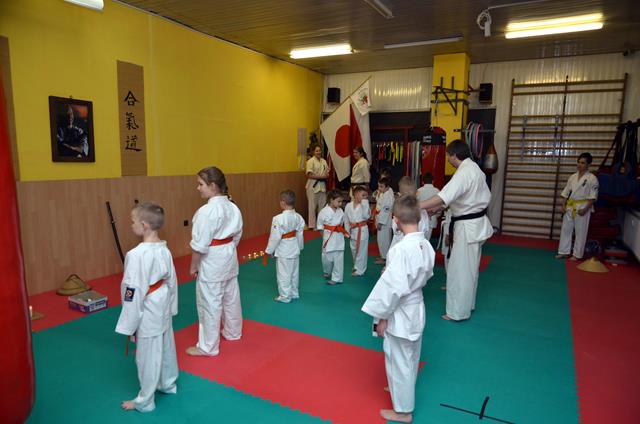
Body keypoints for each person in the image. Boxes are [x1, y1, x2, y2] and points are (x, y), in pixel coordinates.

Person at [361, 195, 435, 424]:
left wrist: (382, 318)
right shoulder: (426, 245)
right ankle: (400, 387)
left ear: (395, 220)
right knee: (410, 356)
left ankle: (403, 411)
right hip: (416, 306)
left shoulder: (400, 249)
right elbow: (426, 274)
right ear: (419, 218)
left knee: (398, 358)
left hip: (401, 311)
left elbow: (392, 289)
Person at [419, 140, 493, 322]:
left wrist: (417, 206)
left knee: (460, 270)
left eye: (448, 156)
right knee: (470, 269)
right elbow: (462, 198)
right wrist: (438, 208)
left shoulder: (464, 172)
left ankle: (457, 312)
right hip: (474, 224)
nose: (448, 159)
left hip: (467, 228)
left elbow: (443, 196)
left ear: (454, 155)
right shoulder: (474, 169)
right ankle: (467, 305)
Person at [115, 202, 178, 412]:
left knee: (147, 357)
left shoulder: (136, 255)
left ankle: (145, 401)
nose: (131, 224)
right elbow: (172, 281)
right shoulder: (164, 249)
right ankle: (167, 384)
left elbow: (132, 291)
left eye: (133, 221)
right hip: (162, 301)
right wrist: (172, 307)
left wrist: (129, 324)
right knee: (166, 346)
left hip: (148, 308)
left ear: (144, 225)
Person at [187, 166, 243, 356]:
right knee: (231, 298)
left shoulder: (206, 211)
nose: (198, 188)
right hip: (229, 256)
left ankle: (208, 347)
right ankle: (233, 332)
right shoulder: (233, 207)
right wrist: (227, 249)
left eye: (200, 184)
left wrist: (193, 266)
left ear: (212, 186)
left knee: (209, 303)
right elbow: (237, 235)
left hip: (212, 260)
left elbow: (199, 245)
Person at [556, 153, 599, 261]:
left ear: (588, 165)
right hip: (570, 206)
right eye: (578, 162)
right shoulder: (573, 177)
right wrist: (563, 205)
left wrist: (585, 209)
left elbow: (593, 197)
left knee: (580, 232)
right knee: (566, 229)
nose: (579, 165)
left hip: (583, 206)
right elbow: (566, 192)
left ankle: (577, 254)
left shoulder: (592, 178)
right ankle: (564, 252)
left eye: (583, 163)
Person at [264, 189, 305, 303]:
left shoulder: (278, 218)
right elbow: (300, 234)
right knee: (294, 273)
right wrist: (300, 247)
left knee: (283, 274)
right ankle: (294, 292)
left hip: (284, 250)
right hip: (294, 247)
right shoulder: (298, 217)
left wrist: (269, 250)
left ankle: (285, 296)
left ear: (282, 203)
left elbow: (275, 237)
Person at [317, 190, 349, 285]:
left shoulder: (340, 211)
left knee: (338, 258)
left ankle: (336, 278)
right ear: (331, 200)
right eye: (338, 201)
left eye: (341, 202)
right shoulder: (323, 212)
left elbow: (342, 224)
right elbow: (320, 226)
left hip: (338, 237)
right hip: (328, 237)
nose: (340, 204)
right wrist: (324, 237)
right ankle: (327, 271)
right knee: (326, 259)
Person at [390, 176, 430, 251]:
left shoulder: (397, 212)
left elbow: (395, 230)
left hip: (399, 249)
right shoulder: (423, 212)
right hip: (417, 249)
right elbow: (426, 232)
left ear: (399, 194)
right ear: (417, 194)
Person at [344, 185, 370, 276]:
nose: (365, 197)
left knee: (361, 251)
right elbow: (346, 219)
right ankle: (356, 266)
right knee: (354, 250)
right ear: (356, 194)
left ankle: (360, 270)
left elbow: (366, 216)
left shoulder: (365, 204)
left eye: (366, 196)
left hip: (362, 230)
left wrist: (364, 203)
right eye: (363, 195)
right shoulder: (348, 205)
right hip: (353, 230)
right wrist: (347, 231)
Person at [305, 144, 329, 230]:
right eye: (316, 151)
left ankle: (320, 225)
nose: (318, 152)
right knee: (312, 207)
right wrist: (321, 176)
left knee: (322, 207)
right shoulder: (310, 161)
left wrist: (324, 176)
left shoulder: (324, 161)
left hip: (322, 186)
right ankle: (312, 226)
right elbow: (309, 175)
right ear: (313, 152)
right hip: (312, 186)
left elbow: (327, 173)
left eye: (319, 150)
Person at [374, 177, 394, 265]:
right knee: (381, 239)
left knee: (384, 240)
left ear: (387, 187)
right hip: (380, 217)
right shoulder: (385, 193)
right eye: (379, 186)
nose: (379, 188)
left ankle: (385, 258)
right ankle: (383, 255)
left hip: (384, 222)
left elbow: (385, 211)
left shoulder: (388, 196)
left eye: (381, 187)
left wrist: (381, 223)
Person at [416, 173, 440, 241]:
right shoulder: (437, 191)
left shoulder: (419, 191)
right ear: (433, 181)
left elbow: (414, 206)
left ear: (422, 182)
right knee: (427, 240)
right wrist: (436, 215)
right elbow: (440, 207)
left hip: (420, 219)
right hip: (431, 219)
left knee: (419, 240)